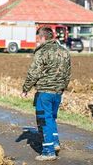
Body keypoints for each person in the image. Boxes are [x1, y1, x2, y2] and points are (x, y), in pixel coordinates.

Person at [21, 27, 71, 161]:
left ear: (42, 38)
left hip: (45, 92)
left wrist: (25, 88)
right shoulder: (64, 51)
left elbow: (34, 72)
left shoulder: (42, 52)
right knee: (51, 118)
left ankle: (48, 151)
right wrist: (62, 88)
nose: (37, 41)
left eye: (38, 38)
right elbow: (67, 73)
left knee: (44, 120)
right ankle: (55, 143)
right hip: (58, 92)